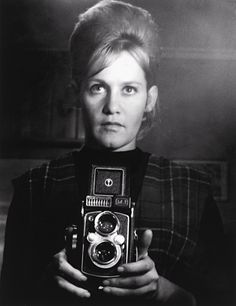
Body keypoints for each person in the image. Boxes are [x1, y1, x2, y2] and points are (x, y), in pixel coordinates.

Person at [0, 1, 224, 305]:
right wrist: (42, 289)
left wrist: (167, 293)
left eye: (129, 89)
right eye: (98, 87)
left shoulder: (193, 192)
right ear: (75, 93)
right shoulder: (33, 190)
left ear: (149, 99)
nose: (112, 106)